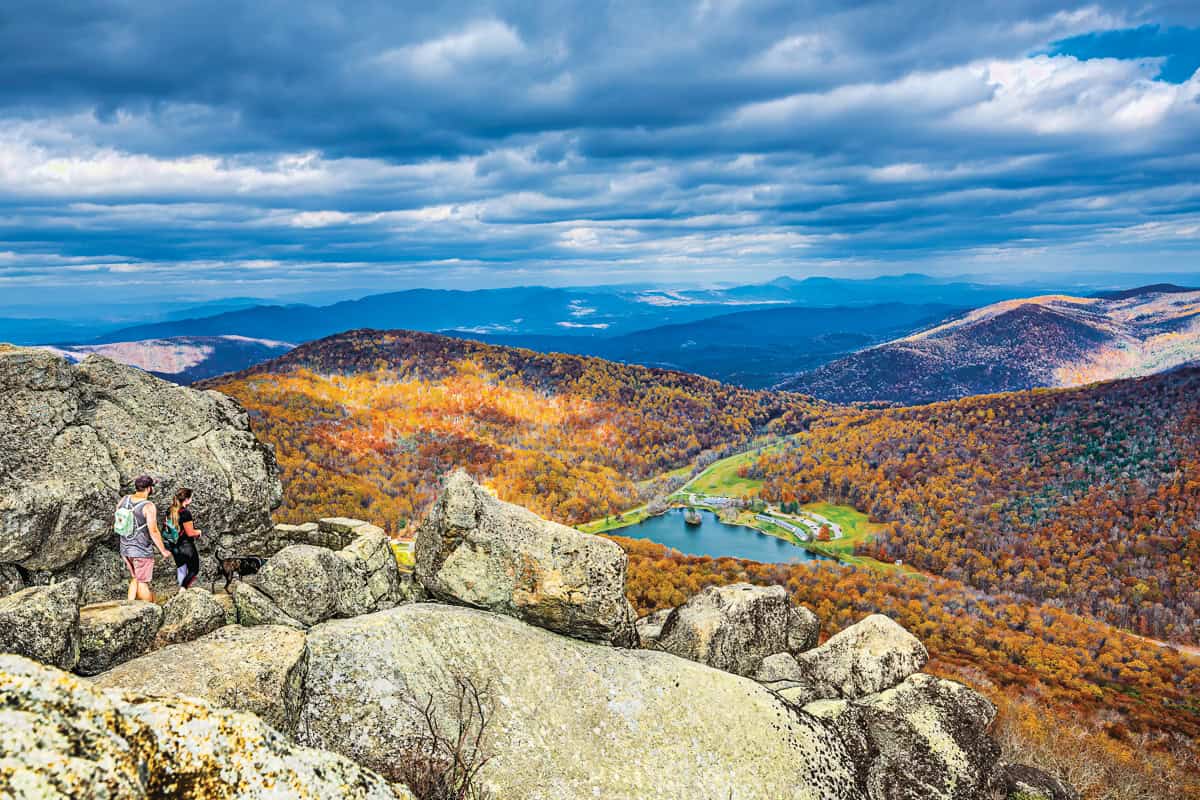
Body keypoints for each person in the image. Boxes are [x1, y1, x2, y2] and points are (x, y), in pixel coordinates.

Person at [115, 475, 172, 602]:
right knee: (142, 582)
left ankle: (129, 604)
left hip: (125, 549)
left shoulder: (125, 499)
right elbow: (153, 530)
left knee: (135, 577)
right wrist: (163, 550)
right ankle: (150, 611)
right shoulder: (148, 506)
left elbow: (118, 519)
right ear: (148, 488)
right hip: (141, 551)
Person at [167, 487, 202, 589]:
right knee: (194, 570)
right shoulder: (185, 512)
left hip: (174, 546)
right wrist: (199, 532)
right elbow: (190, 533)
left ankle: (181, 590)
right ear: (186, 499)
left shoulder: (170, 510)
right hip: (186, 546)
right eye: (191, 497)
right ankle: (183, 590)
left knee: (181, 568)